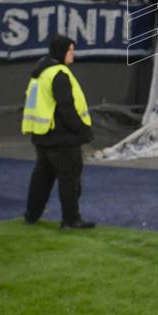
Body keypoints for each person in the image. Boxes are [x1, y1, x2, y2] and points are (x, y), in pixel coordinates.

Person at [21, 35, 95, 229]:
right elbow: (66, 108)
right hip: (62, 137)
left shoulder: (39, 73)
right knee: (69, 179)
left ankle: (31, 215)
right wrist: (84, 131)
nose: (73, 54)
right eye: (70, 50)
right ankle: (71, 219)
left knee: (41, 179)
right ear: (61, 51)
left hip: (42, 135)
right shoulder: (59, 74)